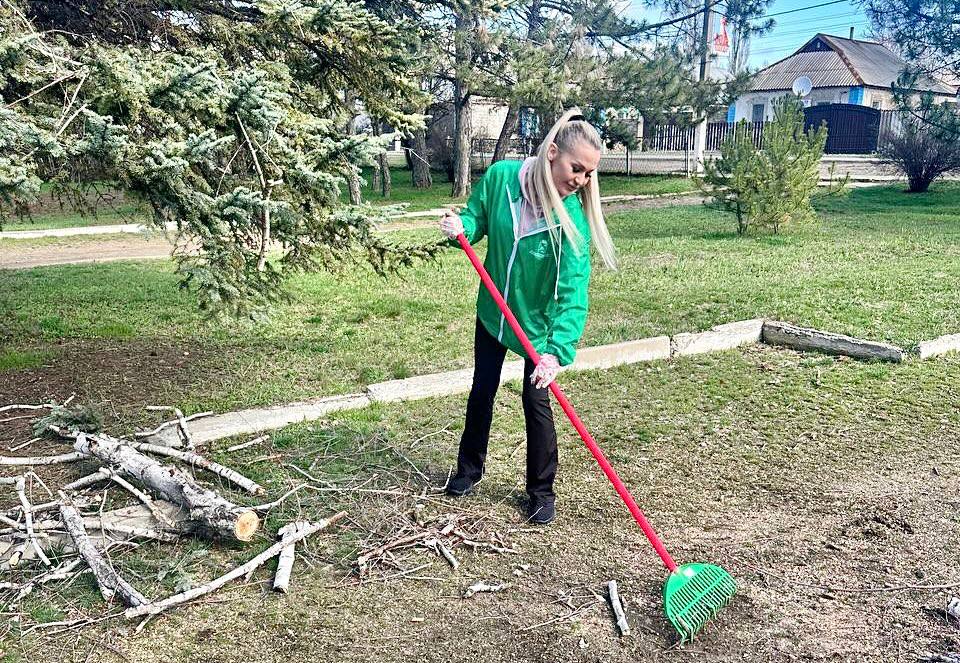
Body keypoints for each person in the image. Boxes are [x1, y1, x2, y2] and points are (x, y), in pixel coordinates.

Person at [438, 108, 617, 525]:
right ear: (552, 152)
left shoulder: (571, 223)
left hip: (537, 327)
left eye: (590, 174)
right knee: (482, 389)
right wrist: (459, 225)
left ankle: (540, 492)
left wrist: (557, 353)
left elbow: (573, 295)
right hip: (492, 314)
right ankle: (468, 471)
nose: (582, 180)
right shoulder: (502, 178)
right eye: (577, 168)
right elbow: (477, 217)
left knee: (536, 403)